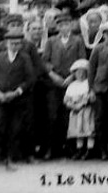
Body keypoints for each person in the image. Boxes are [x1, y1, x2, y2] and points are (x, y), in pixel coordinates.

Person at [0, 28, 35, 171]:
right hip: (0, 100)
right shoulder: (0, 57)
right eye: (12, 43)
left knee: (14, 130)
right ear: (6, 43)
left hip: (18, 101)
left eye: (18, 44)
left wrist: (17, 92)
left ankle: (9, 159)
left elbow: (30, 79)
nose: (15, 46)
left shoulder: (25, 58)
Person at [43, 14, 86, 159]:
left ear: (71, 25)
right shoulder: (50, 41)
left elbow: (82, 60)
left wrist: (73, 76)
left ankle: (69, 148)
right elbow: (45, 62)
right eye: (61, 25)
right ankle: (50, 148)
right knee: (52, 115)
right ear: (57, 27)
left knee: (69, 116)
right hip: (54, 82)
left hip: (71, 82)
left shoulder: (78, 41)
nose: (64, 28)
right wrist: (53, 75)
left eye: (67, 24)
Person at [88, 20, 108, 160]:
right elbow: (91, 69)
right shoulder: (98, 48)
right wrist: (91, 89)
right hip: (99, 88)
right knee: (100, 119)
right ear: (103, 35)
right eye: (107, 34)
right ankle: (102, 149)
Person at [64, 59, 96, 160]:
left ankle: (90, 150)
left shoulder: (89, 84)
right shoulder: (72, 85)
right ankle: (79, 150)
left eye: (83, 72)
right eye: (78, 72)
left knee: (88, 129)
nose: (80, 74)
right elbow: (66, 100)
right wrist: (72, 106)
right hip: (75, 111)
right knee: (78, 131)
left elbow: (91, 97)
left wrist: (82, 103)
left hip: (86, 110)